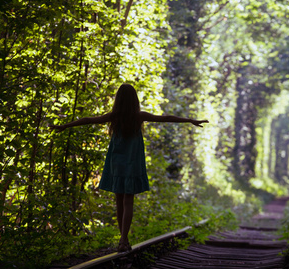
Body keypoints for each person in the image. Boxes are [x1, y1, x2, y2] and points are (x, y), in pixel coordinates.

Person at [50, 83, 208, 252]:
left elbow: (88, 120)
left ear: (118, 100)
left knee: (119, 201)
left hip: (116, 163)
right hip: (132, 163)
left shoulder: (114, 116)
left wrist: (65, 126)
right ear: (134, 100)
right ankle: (124, 239)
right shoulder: (138, 116)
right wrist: (190, 120)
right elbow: (165, 117)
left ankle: (122, 240)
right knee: (128, 201)